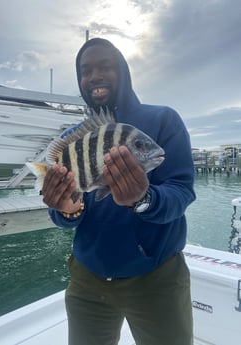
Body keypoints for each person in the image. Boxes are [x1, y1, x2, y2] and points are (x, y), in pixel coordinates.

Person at [41, 38, 196, 345]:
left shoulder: (163, 120)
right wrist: (66, 209)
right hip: (87, 280)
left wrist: (144, 200)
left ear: (122, 72)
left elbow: (182, 191)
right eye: (85, 71)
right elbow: (66, 215)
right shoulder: (72, 139)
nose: (94, 76)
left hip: (157, 278)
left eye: (105, 66)